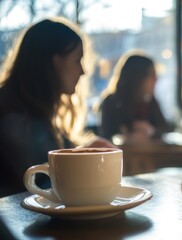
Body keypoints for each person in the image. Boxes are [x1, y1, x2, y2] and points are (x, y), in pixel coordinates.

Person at [0, 18, 115, 197]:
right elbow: (40, 182)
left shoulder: (33, 110)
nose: (83, 71)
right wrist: (84, 154)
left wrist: (87, 148)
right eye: (77, 60)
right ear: (53, 62)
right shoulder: (14, 120)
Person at [99, 50, 173, 143]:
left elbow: (165, 128)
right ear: (138, 77)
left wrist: (151, 131)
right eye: (152, 75)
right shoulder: (111, 102)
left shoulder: (150, 101)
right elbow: (106, 136)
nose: (156, 79)